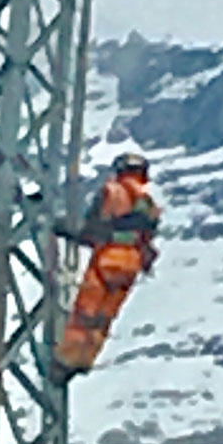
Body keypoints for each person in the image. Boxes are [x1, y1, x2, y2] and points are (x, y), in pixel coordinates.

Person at [53, 152, 160, 379]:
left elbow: (93, 229)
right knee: (104, 317)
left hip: (108, 259)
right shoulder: (149, 203)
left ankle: (64, 362)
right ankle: (84, 360)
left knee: (86, 312)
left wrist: (66, 230)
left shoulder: (112, 192)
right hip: (131, 264)